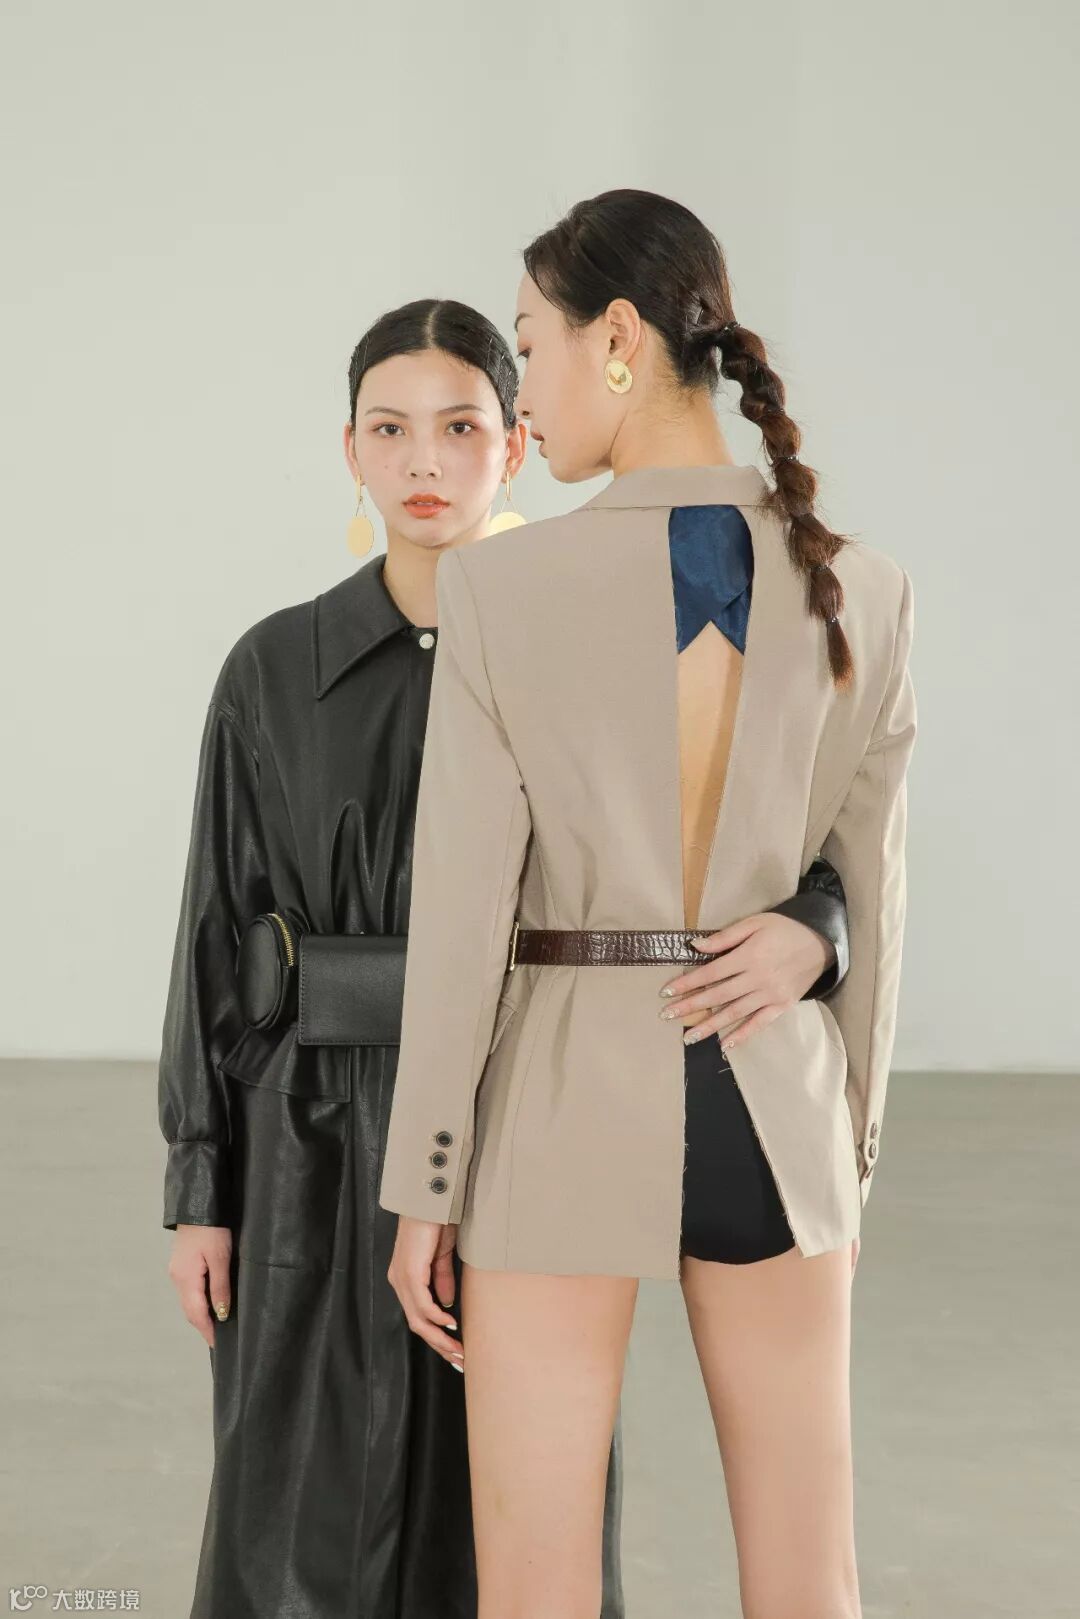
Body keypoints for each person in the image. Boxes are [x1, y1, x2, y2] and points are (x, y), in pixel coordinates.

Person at [157, 294, 852, 1618]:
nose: (424, 461)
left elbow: (744, 829)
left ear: (517, 446)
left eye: (462, 426)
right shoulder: (272, 669)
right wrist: (201, 1186)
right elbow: (213, 928)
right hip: (306, 1141)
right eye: (389, 429)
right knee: (293, 1515)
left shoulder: (596, 642)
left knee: (519, 1522)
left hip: (525, 1118)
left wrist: (818, 926)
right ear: (348, 450)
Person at [378, 191, 917, 1619]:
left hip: (564, 1100)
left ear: (617, 338)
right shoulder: (865, 590)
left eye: (529, 346)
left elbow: (463, 920)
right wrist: (849, 1150)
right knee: (810, 1578)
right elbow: (869, 896)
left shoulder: (499, 590)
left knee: (536, 1581)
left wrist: (425, 1182)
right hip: (775, 1104)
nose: (523, 395)